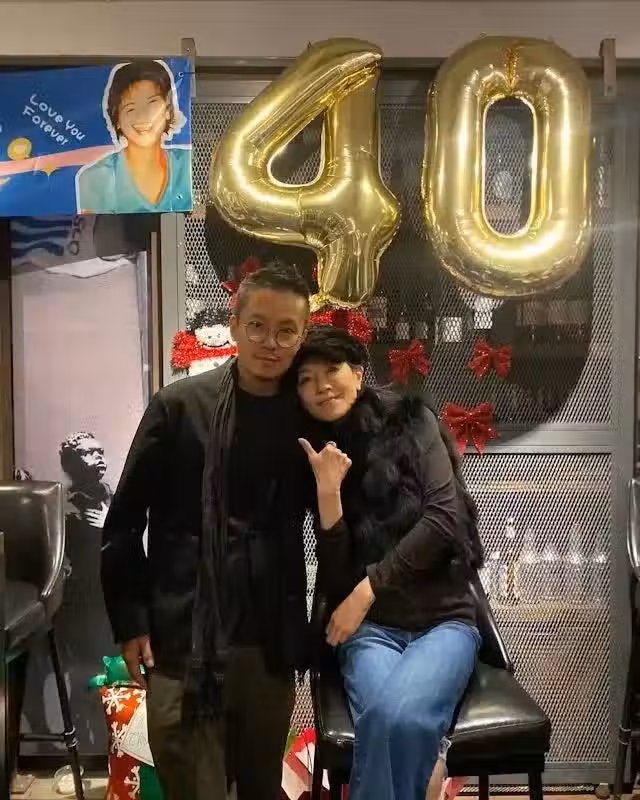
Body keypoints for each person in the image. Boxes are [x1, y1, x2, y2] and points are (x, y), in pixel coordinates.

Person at [101, 262, 311, 800]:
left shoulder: (307, 417)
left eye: (286, 330)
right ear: (235, 324)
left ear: (302, 337)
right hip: (184, 638)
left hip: (267, 644)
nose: (270, 343)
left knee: (261, 787)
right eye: (258, 325)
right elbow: (123, 523)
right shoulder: (179, 407)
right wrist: (132, 622)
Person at [295, 326, 484, 800]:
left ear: (358, 374)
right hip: (372, 632)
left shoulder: (411, 422)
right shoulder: (314, 457)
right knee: (393, 718)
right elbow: (337, 577)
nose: (321, 386)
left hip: (443, 622)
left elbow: (445, 517)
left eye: (331, 370)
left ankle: (426, 756)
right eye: (306, 379)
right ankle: (430, 762)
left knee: (393, 717)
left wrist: (369, 588)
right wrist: (328, 493)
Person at [76, 59, 191, 213]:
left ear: (168, 111)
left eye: (152, 103)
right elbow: (90, 227)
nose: (142, 115)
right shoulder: (95, 178)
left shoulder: (189, 165)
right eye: (131, 108)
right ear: (117, 119)